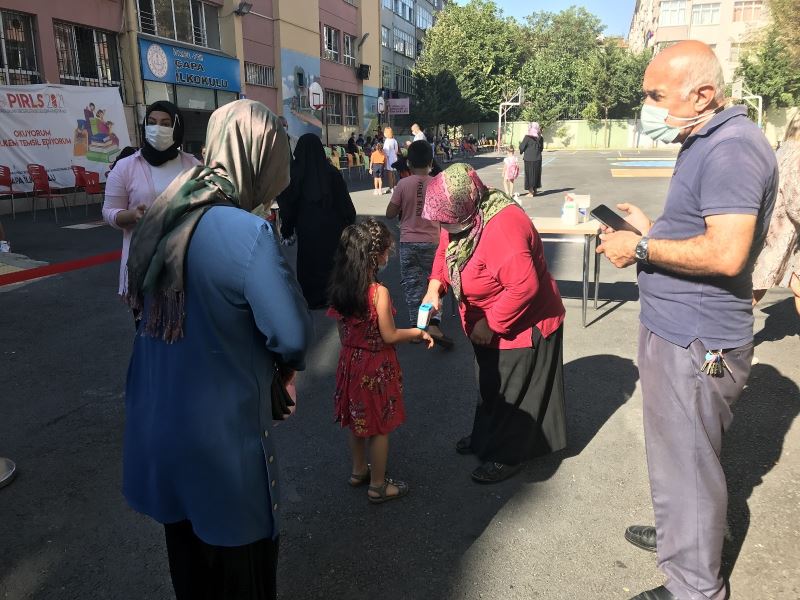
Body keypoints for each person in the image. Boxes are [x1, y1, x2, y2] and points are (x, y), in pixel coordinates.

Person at [596, 41, 778, 600]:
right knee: (681, 457)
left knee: (689, 464)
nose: (647, 106)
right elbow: (705, 231)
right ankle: (683, 537)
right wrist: (652, 229)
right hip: (680, 327)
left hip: (696, 338)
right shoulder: (705, 138)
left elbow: (726, 253)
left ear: (702, 94)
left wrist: (640, 248)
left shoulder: (732, 149)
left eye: (656, 95)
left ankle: (694, 586)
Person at [122, 99, 314, 600]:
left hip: (161, 427)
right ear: (261, 156)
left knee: (189, 572)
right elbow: (292, 335)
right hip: (225, 449)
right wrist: (284, 371)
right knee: (242, 575)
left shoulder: (165, 214)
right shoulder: (248, 232)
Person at [421, 163, 567, 484]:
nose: (442, 226)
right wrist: (435, 286)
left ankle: (507, 455)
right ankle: (484, 437)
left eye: (446, 220)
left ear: (464, 209)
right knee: (489, 385)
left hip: (521, 323)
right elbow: (446, 249)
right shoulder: (465, 214)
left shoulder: (503, 228)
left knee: (512, 393)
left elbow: (524, 287)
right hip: (484, 321)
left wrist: (491, 323)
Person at [327, 218, 433, 504]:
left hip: (350, 361)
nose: (389, 255)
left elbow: (342, 332)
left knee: (357, 419)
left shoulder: (340, 287)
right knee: (379, 426)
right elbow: (389, 335)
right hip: (375, 365)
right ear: (375, 256)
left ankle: (358, 470)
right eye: (387, 250)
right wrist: (418, 332)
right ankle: (377, 485)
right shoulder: (378, 293)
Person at [103, 101, 200, 308]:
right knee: (147, 324)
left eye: (165, 124)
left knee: (187, 322)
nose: (158, 128)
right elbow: (109, 212)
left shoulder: (193, 165)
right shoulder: (126, 167)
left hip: (185, 263)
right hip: (142, 264)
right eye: (152, 122)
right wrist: (131, 216)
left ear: (176, 127)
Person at [386, 140, 453, 348]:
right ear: (431, 162)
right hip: (433, 242)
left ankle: (417, 328)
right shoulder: (438, 183)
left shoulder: (403, 184)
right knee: (436, 282)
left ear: (409, 163)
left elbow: (390, 213)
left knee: (412, 286)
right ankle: (434, 323)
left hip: (408, 242)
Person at [277, 133, 356, 309]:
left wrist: (287, 228)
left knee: (309, 261)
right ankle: (334, 295)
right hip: (333, 226)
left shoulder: (295, 174)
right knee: (331, 260)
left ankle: (312, 297)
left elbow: (288, 204)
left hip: (307, 226)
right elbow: (345, 203)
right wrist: (349, 223)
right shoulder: (332, 173)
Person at [752, 112, 800, 316]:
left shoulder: (783, 150)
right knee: (755, 287)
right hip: (783, 232)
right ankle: (719, 333)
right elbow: (795, 199)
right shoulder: (797, 155)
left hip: (771, 227)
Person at [519, 122, 544, 196]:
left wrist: (521, 148)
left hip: (529, 159)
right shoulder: (540, 138)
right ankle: (535, 190)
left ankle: (530, 192)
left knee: (529, 175)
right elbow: (541, 149)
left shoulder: (527, 137)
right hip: (537, 158)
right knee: (536, 174)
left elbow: (522, 147)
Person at [382, 127, 399, 193]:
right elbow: (396, 150)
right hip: (394, 158)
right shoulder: (394, 140)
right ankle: (394, 187)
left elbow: (386, 151)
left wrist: (385, 158)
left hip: (389, 158)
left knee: (389, 174)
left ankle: (391, 188)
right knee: (393, 173)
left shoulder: (387, 141)